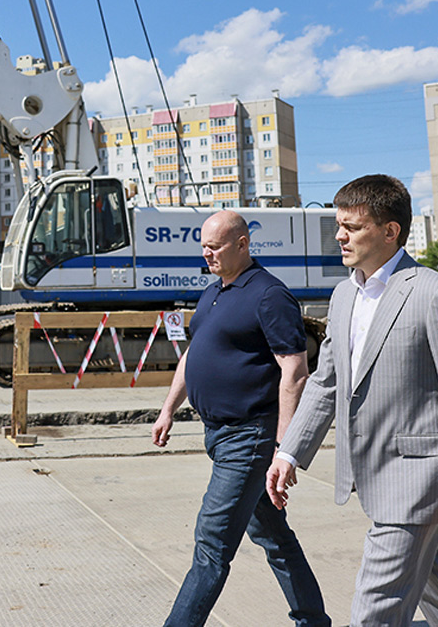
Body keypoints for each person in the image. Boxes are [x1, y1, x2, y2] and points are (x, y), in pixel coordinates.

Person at [266, 174, 438, 626]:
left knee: (374, 613)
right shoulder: (343, 295)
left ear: (390, 231)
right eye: (339, 225)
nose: (339, 235)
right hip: (375, 478)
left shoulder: (436, 293)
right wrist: (290, 450)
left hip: (419, 482)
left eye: (351, 227)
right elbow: (326, 383)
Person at [152, 209, 330, 627]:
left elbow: (294, 371)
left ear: (243, 244)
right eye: (204, 247)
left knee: (211, 543)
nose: (207, 254)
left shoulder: (269, 295)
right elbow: (193, 354)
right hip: (218, 433)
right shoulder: (214, 291)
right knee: (273, 535)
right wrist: (168, 409)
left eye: (214, 247)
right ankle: (313, 620)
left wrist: (286, 449)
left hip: (249, 437)